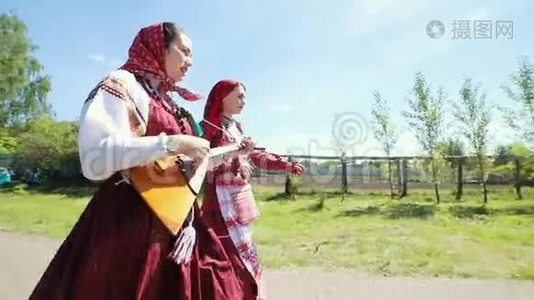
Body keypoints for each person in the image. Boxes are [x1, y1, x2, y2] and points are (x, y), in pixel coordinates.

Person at [30, 23, 251, 300]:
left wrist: (232, 152)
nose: (190, 62)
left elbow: (184, 166)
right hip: (128, 226)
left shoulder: (172, 103)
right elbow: (95, 157)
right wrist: (171, 143)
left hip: (177, 224)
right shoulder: (122, 84)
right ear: (159, 47)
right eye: (184, 51)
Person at [200, 80, 304, 299]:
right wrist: (236, 151)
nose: (244, 102)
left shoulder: (236, 128)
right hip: (219, 205)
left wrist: (284, 165)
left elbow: (254, 155)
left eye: (244, 97)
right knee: (224, 260)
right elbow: (203, 161)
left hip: (239, 203)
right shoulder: (209, 128)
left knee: (244, 258)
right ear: (222, 96)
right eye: (239, 96)